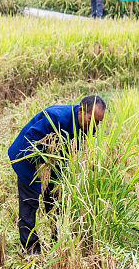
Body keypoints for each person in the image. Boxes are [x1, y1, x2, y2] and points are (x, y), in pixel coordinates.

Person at [8, 95, 107, 253]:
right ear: (81, 111)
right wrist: (41, 169)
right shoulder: (56, 117)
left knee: (55, 203)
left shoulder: (89, 125)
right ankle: (31, 249)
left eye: (98, 122)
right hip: (27, 159)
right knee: (29, 204)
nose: (95, 125)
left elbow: (79, 147)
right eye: (92, 120)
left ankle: (58, 243)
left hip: (55, 163)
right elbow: (30, 140)